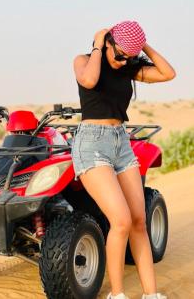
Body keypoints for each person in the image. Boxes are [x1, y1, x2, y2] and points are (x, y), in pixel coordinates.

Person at [71, 20, 175, 299]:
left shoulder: (129, 68)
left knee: (139, 221)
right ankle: (116, 295)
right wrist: (97, 43)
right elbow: (89, 81)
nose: (122, 61)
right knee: (121, 221)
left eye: (129, 57)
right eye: (119, 54)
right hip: (91, 145)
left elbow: (168, 73)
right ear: (107, 43)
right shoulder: (84, 60)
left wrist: (142, 46)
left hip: (121, 143)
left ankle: (150, 294)